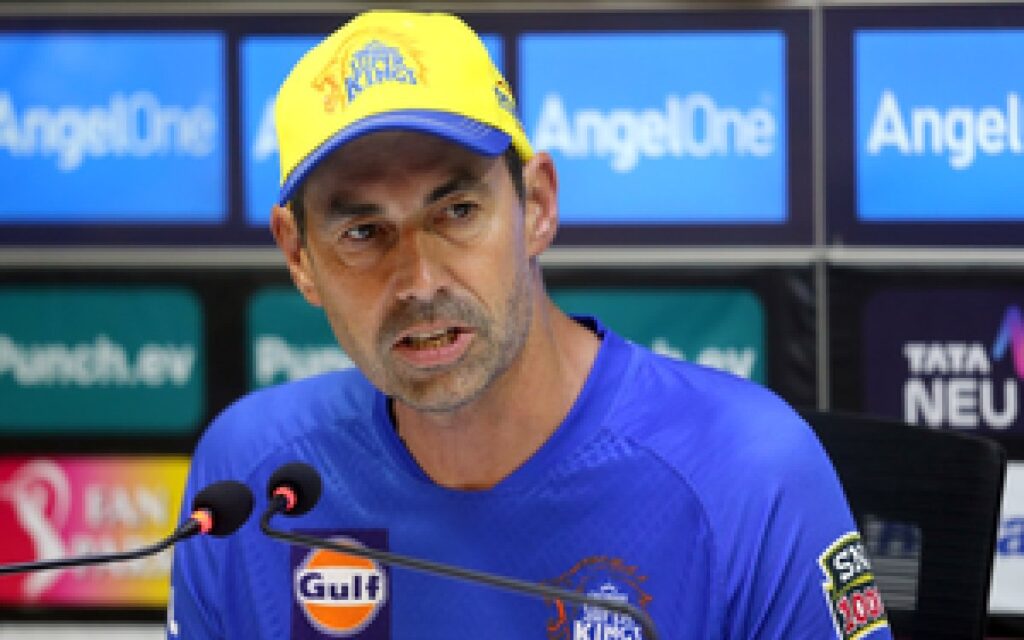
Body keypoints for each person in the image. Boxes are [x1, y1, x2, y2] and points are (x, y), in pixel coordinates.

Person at [168, 10, 892, 640]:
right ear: (299, 257)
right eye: (363, 233)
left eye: (457, 212)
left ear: (537, 206)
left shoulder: (748, 473)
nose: (419, 280)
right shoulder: (251, 482)